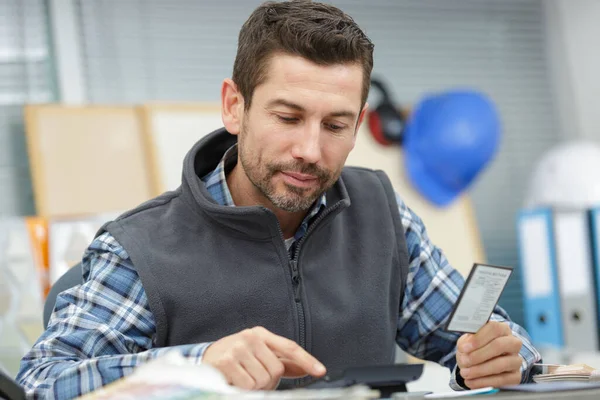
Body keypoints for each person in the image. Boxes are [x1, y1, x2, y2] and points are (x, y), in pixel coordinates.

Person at [17, 1, 541, 398]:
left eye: (334, 124)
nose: (310, 151)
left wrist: (502, 353)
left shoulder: (382, 215)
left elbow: (484, 340)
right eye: (287, 117)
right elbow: (42, 381)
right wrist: (195, 367)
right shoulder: (141, 249)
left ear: (358, 125)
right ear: (233, 107)